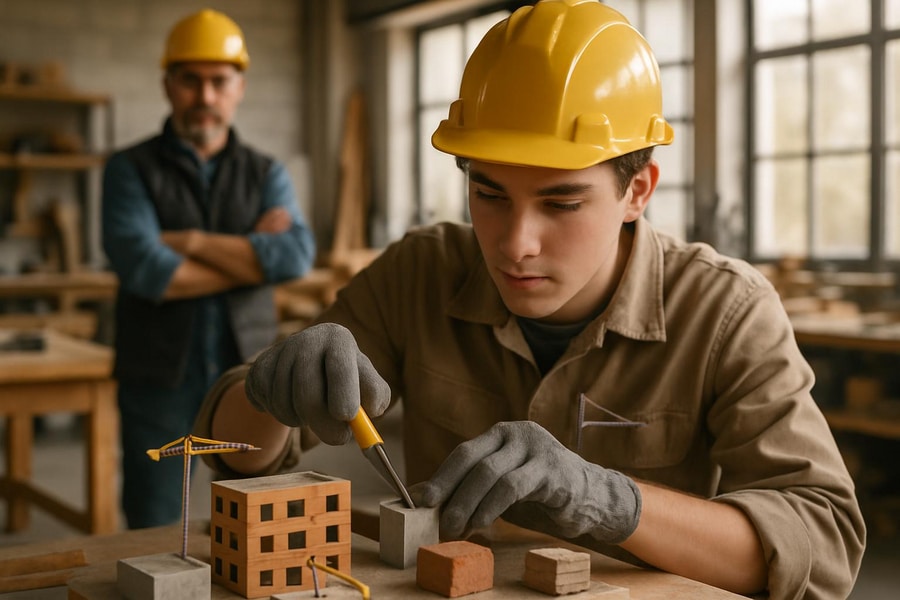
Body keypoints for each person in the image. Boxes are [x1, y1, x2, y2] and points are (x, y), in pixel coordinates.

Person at [195, 1, 864, 597]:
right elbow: (233, 453)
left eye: (562, 202)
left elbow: (824, 545)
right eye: (489, 195)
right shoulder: (417, 273)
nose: (516, 244)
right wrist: (266, 395)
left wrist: (608, 501)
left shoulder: (725, 313)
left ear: (638, 190)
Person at [102, 8, 316, 529]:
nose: (205, 96)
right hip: (156, 376)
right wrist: (251, 258)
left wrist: (192, 242)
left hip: (250, 374)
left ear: (239, 86)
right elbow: (151, 271)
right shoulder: (128, 169)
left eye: (219, 81)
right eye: (190, 80)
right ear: (167, 84)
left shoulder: (266, 172)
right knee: (153, 525)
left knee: (258, 522)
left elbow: (296, 256)